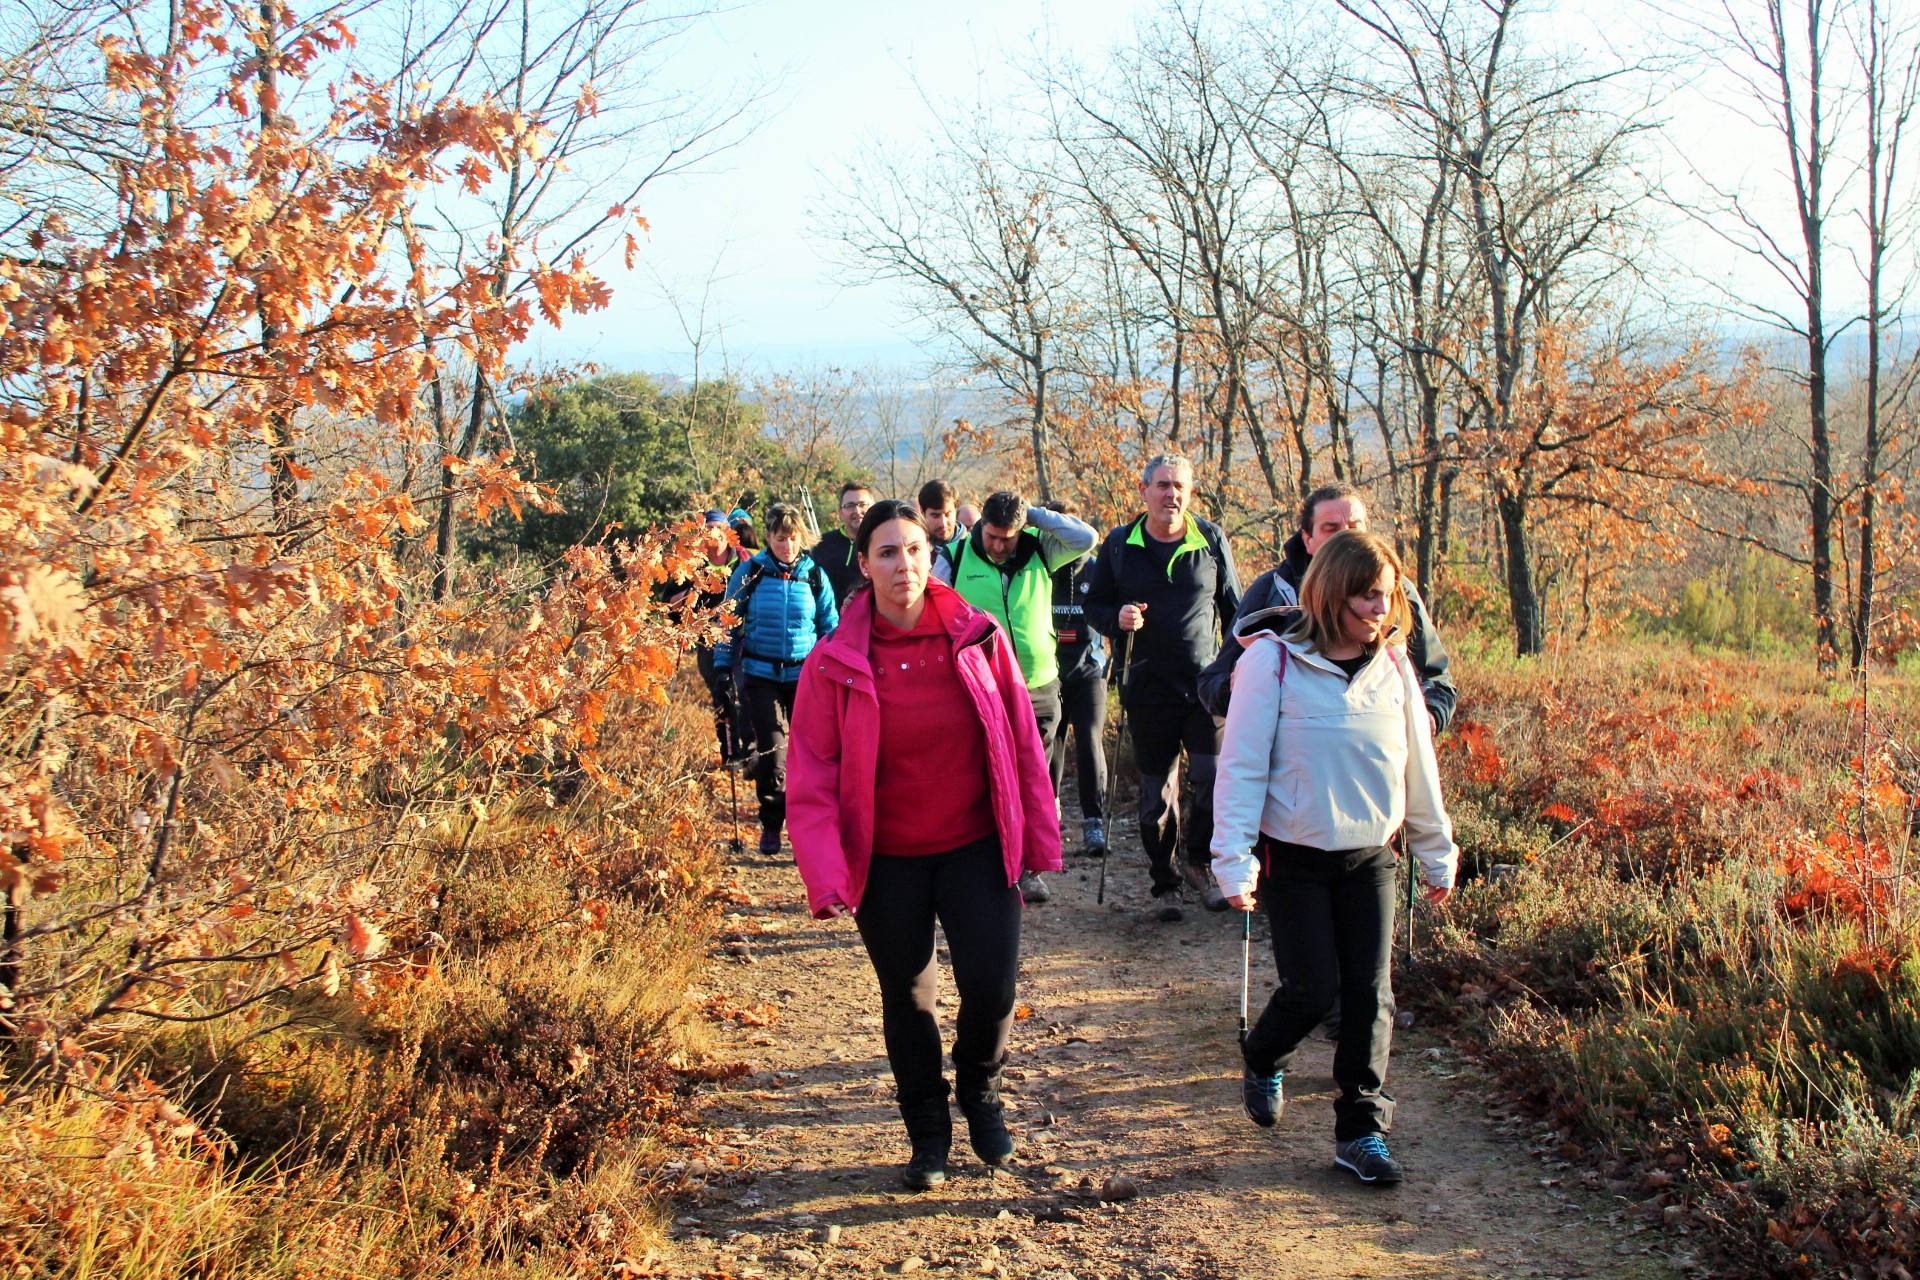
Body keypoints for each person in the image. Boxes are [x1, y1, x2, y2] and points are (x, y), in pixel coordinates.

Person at [787, 500, 1062, 1191]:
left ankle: (981, 1092)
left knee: (993, 989)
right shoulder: (832, 662)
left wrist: (1037, 837)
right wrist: (825, 876)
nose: (904, 564)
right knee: (908, 1002)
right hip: (886, 860)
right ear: (864, 564)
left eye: (914, 549)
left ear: (933, 555)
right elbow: (812, 777)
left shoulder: (979, 637)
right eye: (887, 552)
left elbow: (1023, 746)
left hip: (976, 845)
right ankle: (928, 1133)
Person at [1210, 531, 1458, 1188]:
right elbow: (1240, 765)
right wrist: (1233, 858)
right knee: (1314, 988)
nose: (1382, 608)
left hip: (1372, 856)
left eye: (1388, 596)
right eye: (1367, 596)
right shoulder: (1273, 663)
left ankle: (1361, 1131)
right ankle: (1263, 1055)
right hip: (1294, 855)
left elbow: (1417, 768)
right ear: (1331, 594)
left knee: (1370, 996)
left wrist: (1435, 848)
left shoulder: (1396, 667)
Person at [1082, 453, 1241, 921]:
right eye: (1163, 485)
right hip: (1147, 685)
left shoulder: (1210, 540)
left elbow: (1236, 611)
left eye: (1180, 487)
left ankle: (1201, 865)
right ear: (1144, 489)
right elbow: (1095, 605)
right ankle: (1164, 880)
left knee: (1212, 779)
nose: (1172, 495)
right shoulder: (1118, 545)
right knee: (1156, 794)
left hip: (1205, 686)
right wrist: (1117, 619)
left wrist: (1237, 667)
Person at [1197, 483, 1456, 732]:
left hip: (1382, 754)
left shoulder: (1396, 590)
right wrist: (1238, 691)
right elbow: (1212, 683)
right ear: (1307, 539)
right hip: (1297, 758)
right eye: (1331, 528)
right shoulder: (1273, 590)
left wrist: (1429, 715)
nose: (1346, 535)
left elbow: (1437, 678)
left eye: (1355, 526)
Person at [944, 490, 1095, 905]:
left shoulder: (1040, 549)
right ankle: (987, 859)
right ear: (979, 528)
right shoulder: (955, 557)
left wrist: (1037, 517)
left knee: (1034, 777)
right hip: (980, 688)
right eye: (992, 536)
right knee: (985, 774)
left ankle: (1029, 868)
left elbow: (1086, 538)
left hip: (1039, 684)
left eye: (1007, 537)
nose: (998, 545)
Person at [715, 503, 839, 856]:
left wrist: (837, 669)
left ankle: (805, 828)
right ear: (768, 537)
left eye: (793, 538)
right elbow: (728, 623)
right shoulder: (750, 573)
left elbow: (830, 627)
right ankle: (771, 824)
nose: (787, 545)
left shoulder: (815, 575)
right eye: (781, 538)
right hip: (760, 675)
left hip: (806, 677)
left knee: (808, 756)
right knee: (772, 753)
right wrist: (723, 669)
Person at [1044, 500, 1110, 859]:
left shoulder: (1098, 570)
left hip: (1089, 671)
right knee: (1051, 742)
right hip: (1050, 673)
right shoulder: (1040, 567)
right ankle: (1049, 817)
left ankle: (1094, 822)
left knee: (1088, 738)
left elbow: (1115, 612)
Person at [811, 480, 875, 605]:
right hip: (831, 622)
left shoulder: (883, 543)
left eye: (863, 504)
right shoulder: (821, 544)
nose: (857, 510)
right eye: (850, 505)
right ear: (840, 512)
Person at [919, 478, 963, 582]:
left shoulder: (972, 548)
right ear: (922, 513)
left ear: (956, 510)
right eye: (935, 515)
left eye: (948, 514)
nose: (943, 523)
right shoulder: (916, 550)